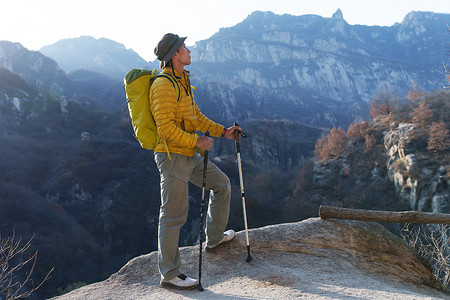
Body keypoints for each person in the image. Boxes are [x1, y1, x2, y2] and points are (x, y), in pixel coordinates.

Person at [151, 33, 241, 290]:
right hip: (172, 156)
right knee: (173, 214)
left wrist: (222, 131)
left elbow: (196, 117)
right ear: (174, 55)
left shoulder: (183, 80)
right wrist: (196, 143)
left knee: (222, 185)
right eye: (183, 48)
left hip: (189, 153)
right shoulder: (163, 85)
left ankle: (213, 239)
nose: (189, 50)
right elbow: (165, 128)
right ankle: (169, 273)